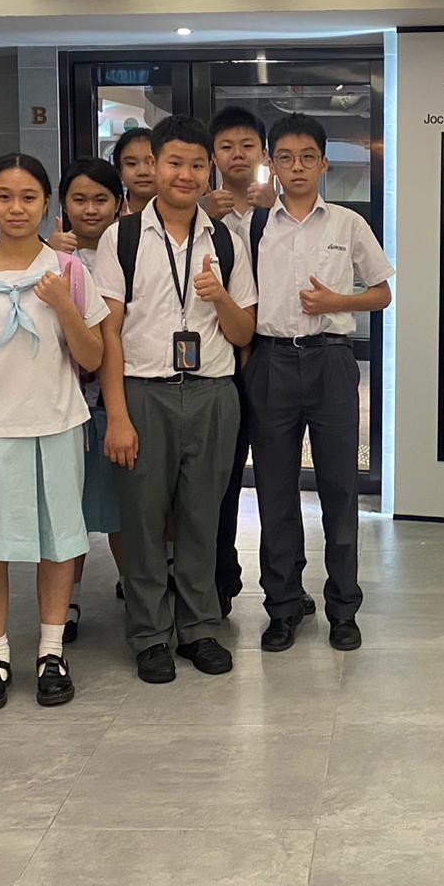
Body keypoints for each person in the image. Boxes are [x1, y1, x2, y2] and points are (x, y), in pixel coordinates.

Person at [0, 155, 108, 712]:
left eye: (28, 197)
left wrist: (63, 305)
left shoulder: (70, 272)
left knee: (58, 543)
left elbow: (93, 357)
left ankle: (51, 652)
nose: (16, 208)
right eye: (4, 196)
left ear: (47, 204)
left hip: (56, 423)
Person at [94, 116, 257, 682]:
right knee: (142, 521)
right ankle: (148, 634)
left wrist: (219, 298)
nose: (185, 174)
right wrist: (117, 415)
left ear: (207, 170)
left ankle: (199, 627)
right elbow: (109, 334)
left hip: (213, 394)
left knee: (202, 518)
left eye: (195, 165)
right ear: (153, 166)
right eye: (173, 163)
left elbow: (243, 332)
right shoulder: (123, 238)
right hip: (144, 393)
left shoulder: (227, 242)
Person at [249, 112, 393, 653]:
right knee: (275, 492)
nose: (297, 167)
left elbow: (382, 293)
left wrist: (338, 301)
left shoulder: (348, 224)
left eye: (308, 157)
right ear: (272, 164)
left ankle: (343, 608)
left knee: (339, 487)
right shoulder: (253, 227)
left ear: (324, 164)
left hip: (331, 360)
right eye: (286, 158)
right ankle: (283, 606)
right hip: (271, 360)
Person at [204, 106, 279, 618]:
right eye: (226, 147)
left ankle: (283, 584)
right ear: (213, 156)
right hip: (223, 362)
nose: (237, 155)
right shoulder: (199, 218)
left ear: (263, 154)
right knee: (222, 480)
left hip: (274, 356)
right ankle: (219, 581)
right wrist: (206, 215)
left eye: (247, 146)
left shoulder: (282, 211)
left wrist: (272, 212)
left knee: (276, 480)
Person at [53, 158, 125, 642]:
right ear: (63, 205)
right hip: (64, 398)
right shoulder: (48, 258)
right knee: (70, 505)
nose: (90, 209)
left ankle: (134, 586)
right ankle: (68, 601)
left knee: (121, 502)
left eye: (101, 199)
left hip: (116, 395)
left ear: (118, 204)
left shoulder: (131, 250)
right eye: (80, 199)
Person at [113, 126, 157, 216]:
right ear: (119, 171)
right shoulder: (110, 220)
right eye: (131, 163)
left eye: (152, 162)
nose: (142, 172)